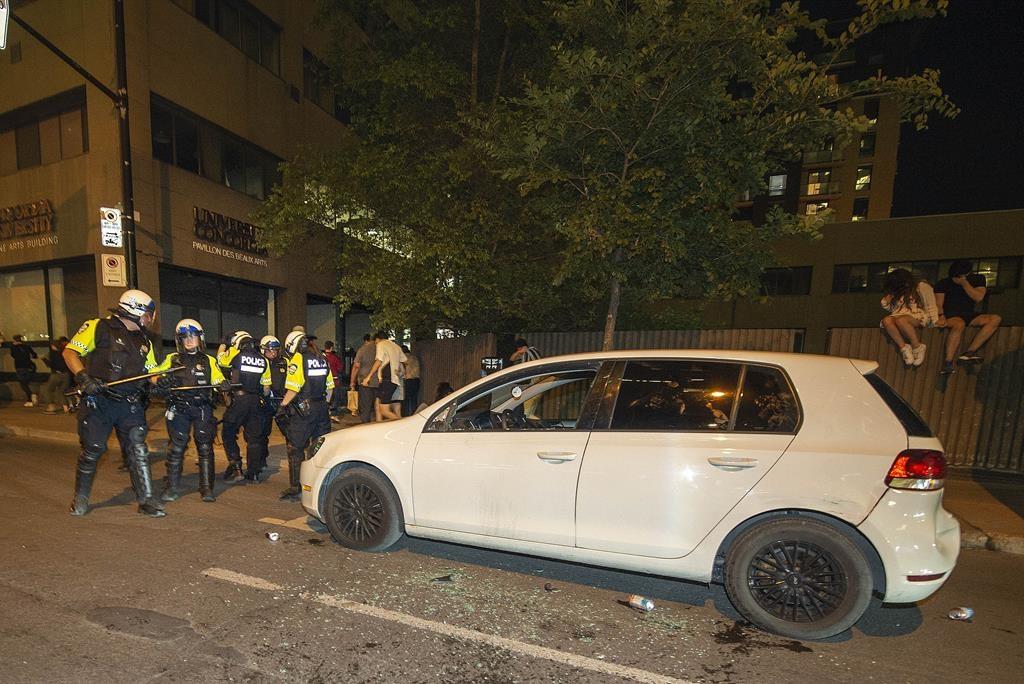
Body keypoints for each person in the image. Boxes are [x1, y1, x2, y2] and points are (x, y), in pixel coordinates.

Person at [64, 289, 165, 517]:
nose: (151, 318)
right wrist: (83, 378)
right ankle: (80, 499)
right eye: (149, 313)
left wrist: (161, 382)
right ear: (137, 310)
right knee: (93, 450)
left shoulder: (144, 340)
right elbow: (70, 353)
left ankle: (146, 500)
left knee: (138, 450)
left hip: (129, 404)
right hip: (99, 401)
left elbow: (151, 372)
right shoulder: (98, 327)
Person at [150, 319, 229, 503]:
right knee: (176, 447)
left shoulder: (209, 360)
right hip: (179, 408)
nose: (189, 340)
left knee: (204, 447)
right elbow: (152, 374)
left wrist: (223, 384)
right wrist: (159, 381)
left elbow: (217, 380)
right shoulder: (172, 359)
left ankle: (207, 489)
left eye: (192, 336)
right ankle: (172, 487)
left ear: (200, 338)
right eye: (184, 337)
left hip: (202, 408)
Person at [277, 330, 333, 501]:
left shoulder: (298, 359)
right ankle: (320, 485)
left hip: (304, 410)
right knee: (319, 448)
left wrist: (282, 405)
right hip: (322, 408)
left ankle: (296, 487)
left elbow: (293, 388)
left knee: (295, 448)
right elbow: (330, 388)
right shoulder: (322, 358)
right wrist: (324, 406)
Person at [935, 260, 1003, 375]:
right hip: (951, 314)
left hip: (969, 314)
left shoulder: (977, 279)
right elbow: (938, 303)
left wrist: (965, 283)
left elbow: (978, 297)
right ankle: (948, 362)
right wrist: (941, 316)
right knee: (959, 324)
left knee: (995, 319)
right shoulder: (943, 283)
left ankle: (969, 352)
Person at [220, 331, 271, 483]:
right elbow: (266, 388)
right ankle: (253, 473)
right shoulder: (263, 360)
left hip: (238, 400)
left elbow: (220, 360)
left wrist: (223, 344)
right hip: (255, 401)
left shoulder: (235, 353)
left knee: (228, 432)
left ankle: (236, 467)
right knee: (254, 438)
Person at [879, 268, 939, 367]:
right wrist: (888, 298)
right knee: (887, 320)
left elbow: (930, 304)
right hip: (899, 314)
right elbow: (890, 307)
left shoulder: (921, 286)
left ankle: (917, 347)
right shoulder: (899, 290)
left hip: (916, 315)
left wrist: (934, 321)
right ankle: (904, 348)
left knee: (901, 320)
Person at [361, 331, 406, 422]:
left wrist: (368, 377)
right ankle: (379, 426)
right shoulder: (396, 346)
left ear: (377, 339)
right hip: (393, 380)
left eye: (375, 341)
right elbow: (405, 360)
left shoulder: (381, 344)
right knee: (377, 405)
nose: (375, 343)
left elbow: (379, 361)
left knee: (383, 410)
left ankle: (402, 424)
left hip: (387, 379)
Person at [259, 334, 287, 473]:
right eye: (270, 350)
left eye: (275, 350)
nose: (273, 353)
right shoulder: (259, 362)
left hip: (281, 402)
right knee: (263, 432)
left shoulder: (284, 363)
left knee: (289, 432)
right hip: (264, 402)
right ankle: (262, 459)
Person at [1, 333, 39, 406]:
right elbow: (34, 355)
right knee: (27, 382)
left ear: (14, 340)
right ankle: (31, 395)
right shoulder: (26, 346)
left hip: (20, 367)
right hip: (29, 366)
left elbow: (14, 356)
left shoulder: (13, 347)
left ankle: (30, 398)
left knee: (23, 383)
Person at [349, 334, 378, 423]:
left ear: (366, 340)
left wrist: (352, 382)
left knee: (366, 407)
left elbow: (356, 367)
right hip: (380, 381)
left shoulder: (363, 349)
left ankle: (366, 426)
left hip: (365, 382)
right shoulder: (380, 348)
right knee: (379, 407)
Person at [41, 336, 71, 414]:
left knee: (47, 389)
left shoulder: (53, 354)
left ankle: (51, 406)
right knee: (61, 391)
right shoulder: (64, 352)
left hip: (57, 374)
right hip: (66, 375)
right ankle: (66, 408)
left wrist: (44, 360)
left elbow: (52, 364)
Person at [323, 341, 344, 422]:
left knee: (326, 398)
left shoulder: (321, 357)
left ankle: (326, 413)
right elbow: (340, 368)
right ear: (331, 348)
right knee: (335, 398)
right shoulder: (334, 357)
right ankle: (333, 414)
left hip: (323, 381)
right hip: (334, 380)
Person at [401, 344, 421, 417]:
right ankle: (414, 415)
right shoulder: (414, 357)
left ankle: (406, 416)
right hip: (416, 380)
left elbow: (402, 371)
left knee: (406, 400)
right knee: (414, 399)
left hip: (408, 380)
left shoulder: (403, 358)